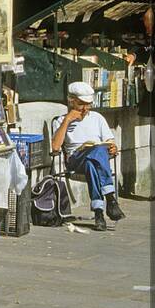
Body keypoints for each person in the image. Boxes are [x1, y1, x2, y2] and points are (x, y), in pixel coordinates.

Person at [52, 81, 126, 231]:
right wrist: (67, 121)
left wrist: (112, 147)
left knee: (92, 162)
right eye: (81, 104)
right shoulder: (60, 120)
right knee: (96, 153)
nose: (86, 109)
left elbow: (109, 141)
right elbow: (55, 148)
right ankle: (110, 198)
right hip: (75, 159)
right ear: (71, 101)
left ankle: (99, 213)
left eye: (89, 104)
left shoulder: (97, 117)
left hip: (92, 160)